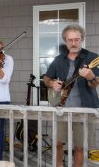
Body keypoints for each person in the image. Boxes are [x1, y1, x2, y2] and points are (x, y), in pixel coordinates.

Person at [43, 24, 99, 167]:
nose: (74, 43)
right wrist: (52, 84)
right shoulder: (59, 59)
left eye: (77, 39)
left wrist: (91, 76)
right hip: (62, 109)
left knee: (79, 147)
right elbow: (46, 78)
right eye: (70, 40)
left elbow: (94, 84)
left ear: (82, 39)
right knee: (57, 143)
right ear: (65, 41)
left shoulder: (92, 58)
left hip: (84, 110)